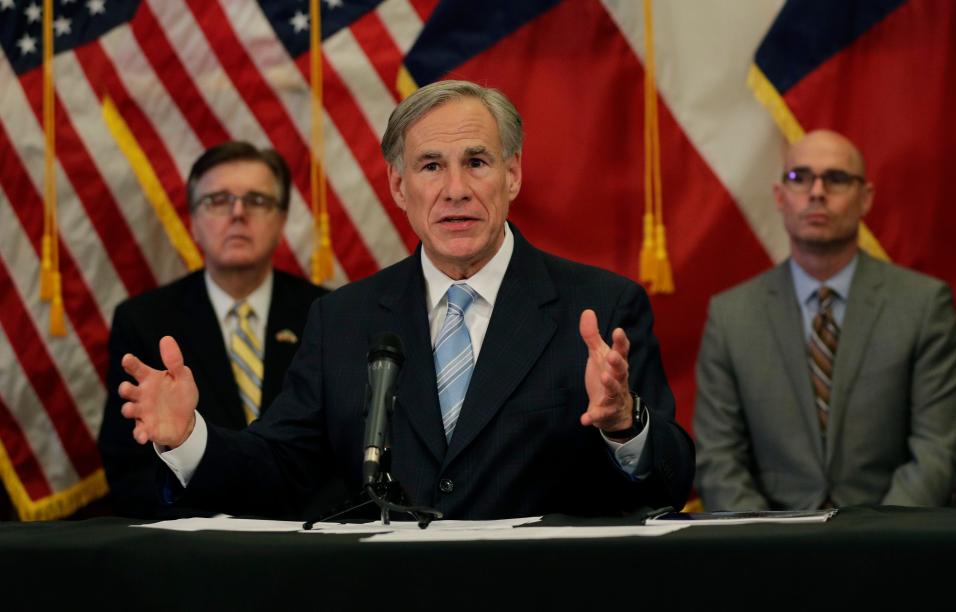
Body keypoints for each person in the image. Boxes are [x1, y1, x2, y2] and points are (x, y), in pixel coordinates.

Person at [116, 80, 694, 520]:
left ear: (512, 174)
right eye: (430, 166)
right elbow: (278, 469)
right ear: (398, 186)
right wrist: (190, 438)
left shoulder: (600, 308)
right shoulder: (342, 320)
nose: (455, 191)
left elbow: (670, 479)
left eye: (477, 162)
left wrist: (626, 425)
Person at [694, 129, 956, 511]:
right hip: (769, 554)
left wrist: (877, 542)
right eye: (798, 178)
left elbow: (938, 449)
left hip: (891, 547)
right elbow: (718, 460)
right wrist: (768, 545)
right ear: (779, 197)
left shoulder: (923, 305)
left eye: (836, 178)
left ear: (865, 198)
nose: (816, 192)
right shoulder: (731, 315)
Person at [98, 141, 328, 518]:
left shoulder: (329, 314)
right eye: (218, 200)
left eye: (256, 200)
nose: (238, 213)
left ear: (282, 218)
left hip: (308, 542)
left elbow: (341, 455)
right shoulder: (144, 320)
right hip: (191, 552)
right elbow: (128, 467)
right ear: (193, 220)